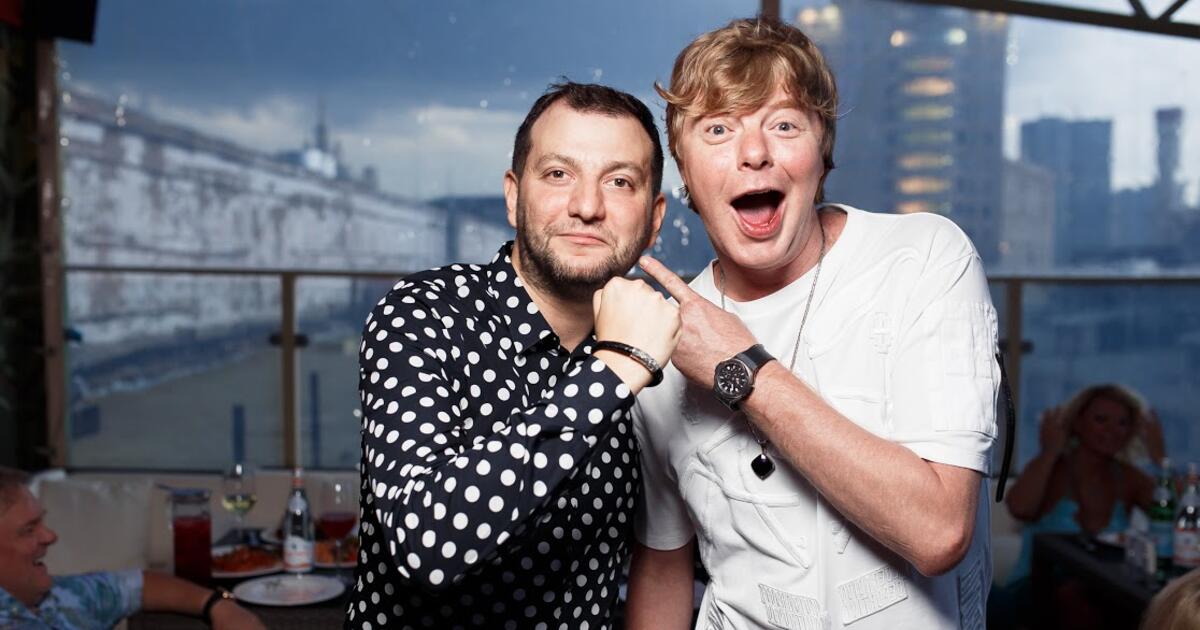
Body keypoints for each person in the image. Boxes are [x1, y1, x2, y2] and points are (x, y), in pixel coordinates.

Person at [628, 17, 999, 628]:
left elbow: (939, 532)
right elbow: (663, 566)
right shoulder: (663, 336)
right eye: (718, 129)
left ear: (822, 155)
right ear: (685, 171)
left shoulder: (922, 259)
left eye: (784, 125)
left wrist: (741, 369)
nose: (754, 153)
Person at [346, 82, 681, 628]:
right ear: (512, 197)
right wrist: (615, 369)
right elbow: (423, 543)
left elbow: (666, 553)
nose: (587, 206)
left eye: (620, 182)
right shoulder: (424, 313)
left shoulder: (656, 352)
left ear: (654, 219)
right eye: (558, 174)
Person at [0, 467, 265, 630]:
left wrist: (220, 606)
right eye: (28, 530)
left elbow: (137, 585)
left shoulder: (60, 596)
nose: (50, 536)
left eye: (42, 522)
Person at [998, 384, 1161, 629]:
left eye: (1122, 423)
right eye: (1101, 419)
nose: (1112, 430)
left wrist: (1160, 460)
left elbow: (1174, 517)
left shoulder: (1129, 478)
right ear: (1077, 423)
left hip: (1103, 592)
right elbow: (1019, 508)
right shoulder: (1053, 469)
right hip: (1035, 588)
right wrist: (1049, 452)